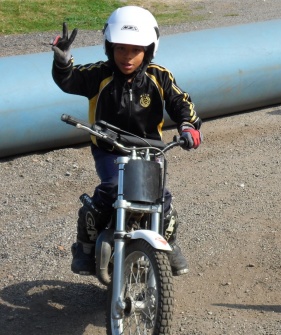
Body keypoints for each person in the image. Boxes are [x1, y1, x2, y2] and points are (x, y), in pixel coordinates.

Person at [51, 6, 202, 277]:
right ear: (110, 48)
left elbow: (180, 101)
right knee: (111, 189)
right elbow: (70, 80)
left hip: (149, 150)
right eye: (121, 49)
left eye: (135, 50)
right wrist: (63, 63)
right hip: (110, 149)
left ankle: (170, 243)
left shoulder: (159, 76)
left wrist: (188, 125)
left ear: (149, 50)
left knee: (161, 199)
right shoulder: (99, 74)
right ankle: (85, 243)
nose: (127, 57)